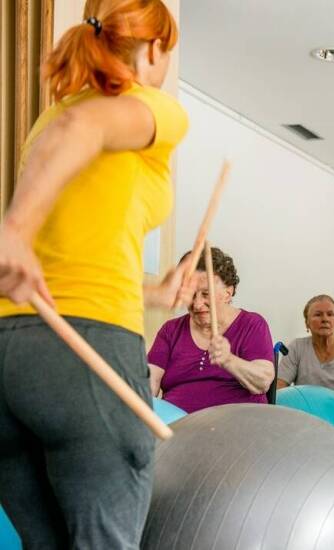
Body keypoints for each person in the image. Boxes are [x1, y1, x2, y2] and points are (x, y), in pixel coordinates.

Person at [0, 2, 191, 546]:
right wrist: (13, 228)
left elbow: (73, 249)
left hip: (12, 354)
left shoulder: (48, 120)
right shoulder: (151, 108)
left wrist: (150, 293)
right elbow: (89, 124)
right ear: (155, 50)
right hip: (84, 355)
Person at [148, 247, 275, 413]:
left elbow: (263, 382)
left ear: (228, 293)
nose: (197, 304)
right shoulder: (170, 330)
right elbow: (148, 385)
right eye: (191, 295)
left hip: (238, 427)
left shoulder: (252, 324)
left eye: (206, 294)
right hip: (179, 430)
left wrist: (229, 360)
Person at [278, 295, 334, 406]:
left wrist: (327, 408)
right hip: (305, 412)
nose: (325, 319)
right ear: (307, 323)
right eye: (318, 314)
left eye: (330, 314)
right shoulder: (296, 347)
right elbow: (279, 387)